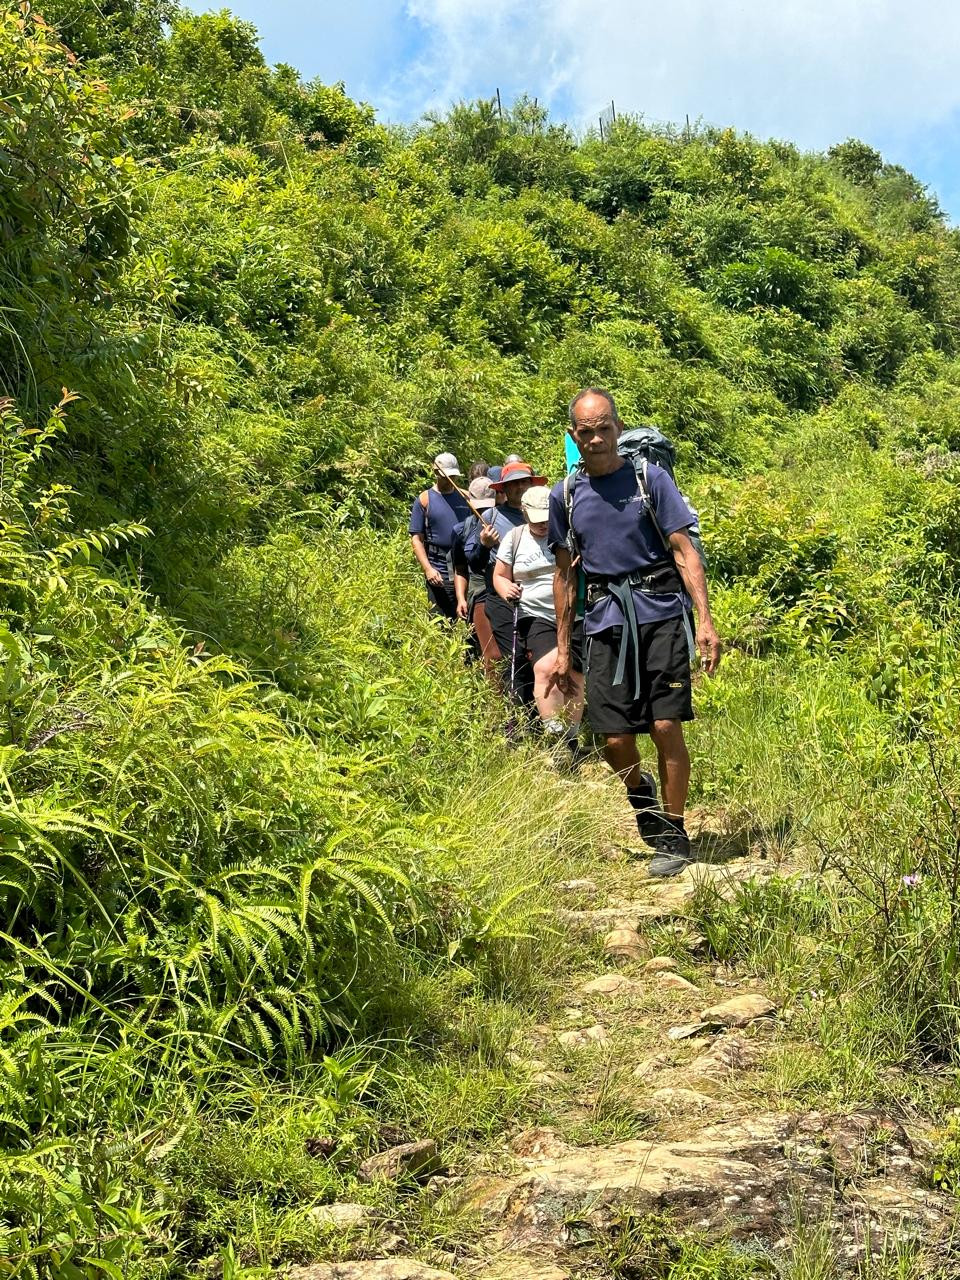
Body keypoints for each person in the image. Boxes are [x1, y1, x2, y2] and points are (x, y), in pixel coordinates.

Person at [548, 389, 722, 877]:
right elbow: (564, 577)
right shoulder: (566, 495)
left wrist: (704, 620)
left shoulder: (650, 479)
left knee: (665, 724)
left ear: (618, 428)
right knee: (614, 739)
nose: (597, 438)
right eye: (587, 431)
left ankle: (673, 830)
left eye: (605, 427)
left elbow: (684, 549)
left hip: (662, 614)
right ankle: (639, 791)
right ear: (573, 435)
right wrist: (563, 651)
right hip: (605, 623)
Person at [493, 486, 584, 760]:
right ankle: (554, 732)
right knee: (546, 667)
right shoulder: (515, 537)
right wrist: (505, 588)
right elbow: (499, 575)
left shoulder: (570, 533)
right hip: (535, 613)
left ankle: (571, 736)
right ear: (525, 514)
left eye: (547, 517)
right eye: (537, 518)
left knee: (576, 673)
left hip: (573, 612)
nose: (543, 523)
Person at [409, 452, 470, 620]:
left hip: (464, 567)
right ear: (436, 473)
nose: (451, 480)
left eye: (454, 476)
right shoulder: (424, 499)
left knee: (467, 620)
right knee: (440, 620)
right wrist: (428, 568)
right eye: (446, 476)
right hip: (439, 568)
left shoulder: (465, 497)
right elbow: (416, 538)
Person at [453, 477, 501, 680]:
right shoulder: (461, 530)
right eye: (478, 507)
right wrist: (461, 598)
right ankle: (494, 705)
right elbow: (461, 568)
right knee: (492, 654)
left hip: (505, 587)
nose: (483, 513)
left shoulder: (504, 521)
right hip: (480, 591)